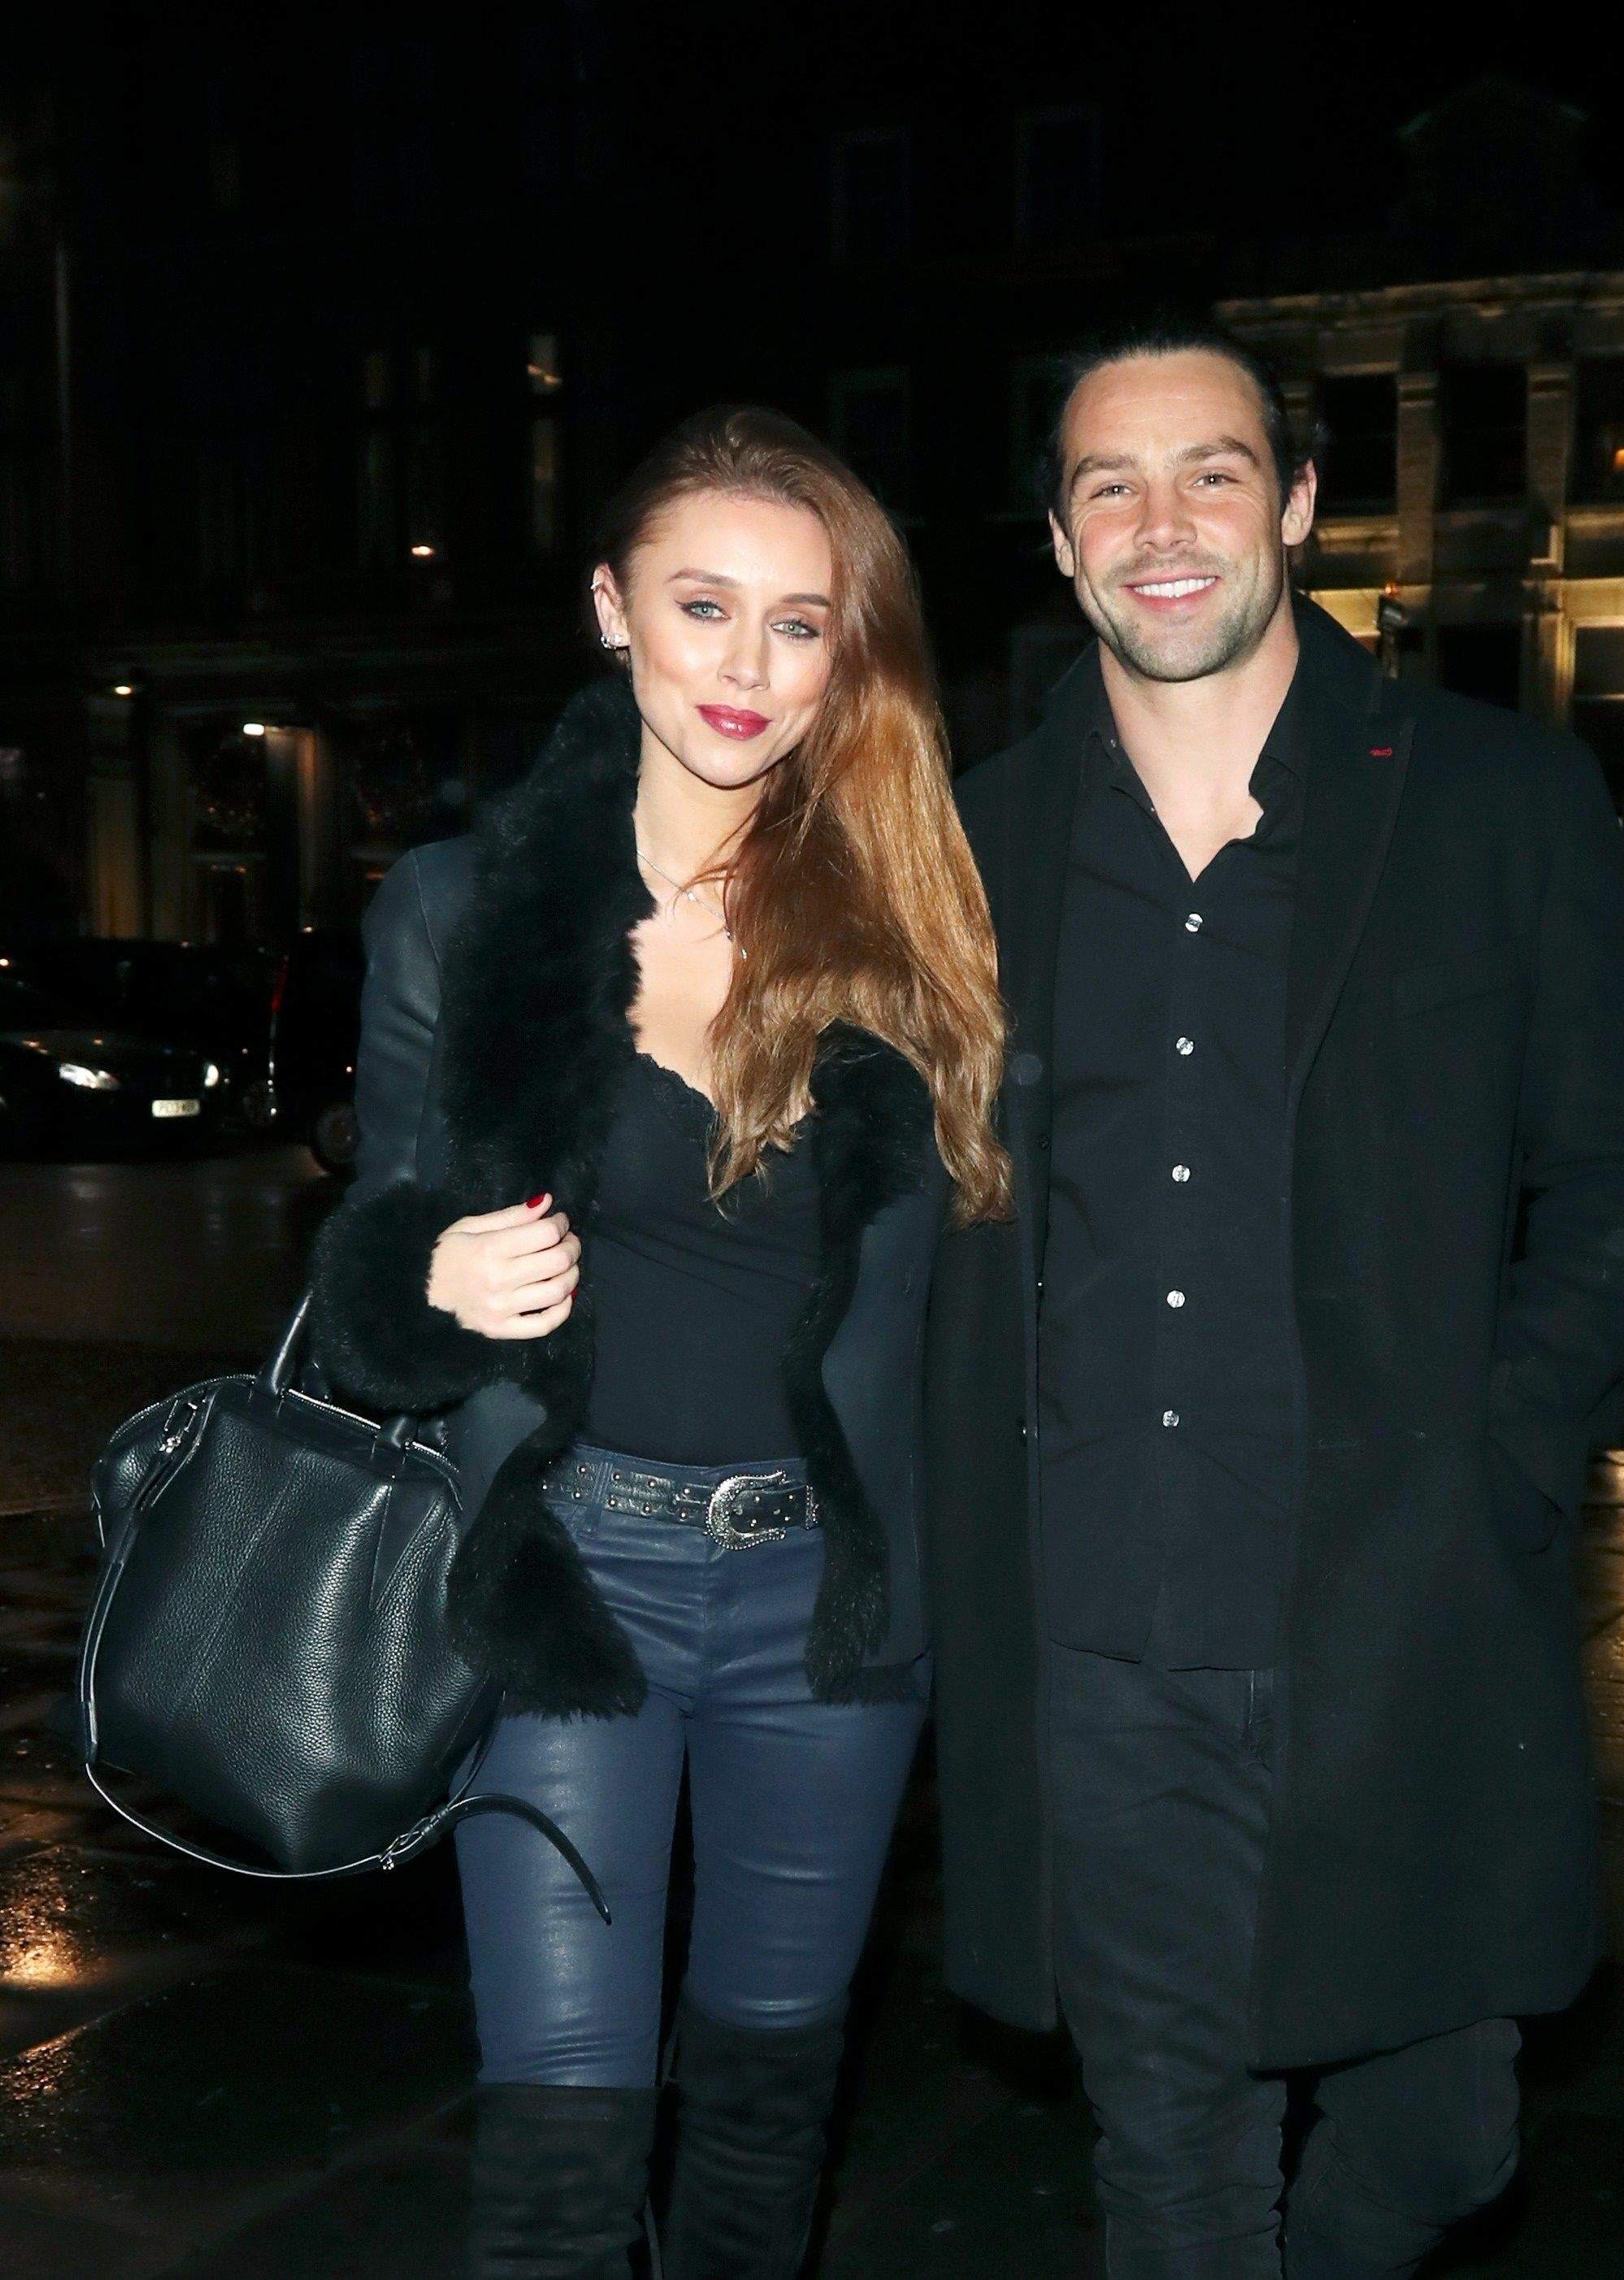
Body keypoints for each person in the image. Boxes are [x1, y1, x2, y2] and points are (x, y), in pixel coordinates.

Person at [922, 327, 1624, 2278]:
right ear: (1058, 538)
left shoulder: (1493, 798)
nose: (1159, 522)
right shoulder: (968, 841)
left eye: (1208, 470)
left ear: (1290, 504)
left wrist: (1496, 1449)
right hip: (1101, 1632)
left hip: (1393, 1606)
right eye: (1108, 483)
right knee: (1176, 2172)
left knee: (1440, 2136)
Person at [307, 405, 1010, 2280]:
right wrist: (429, 1276)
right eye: (703, 605)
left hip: (828, 1603)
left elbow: (989, 1284)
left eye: (799, 621)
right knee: (557, 2152)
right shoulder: (461, 910)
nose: (745, 663)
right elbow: (371, 1249)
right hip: (565, 1586)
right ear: (614, 607)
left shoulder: (919, 923)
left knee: (764, 2126)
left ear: (844, 652)